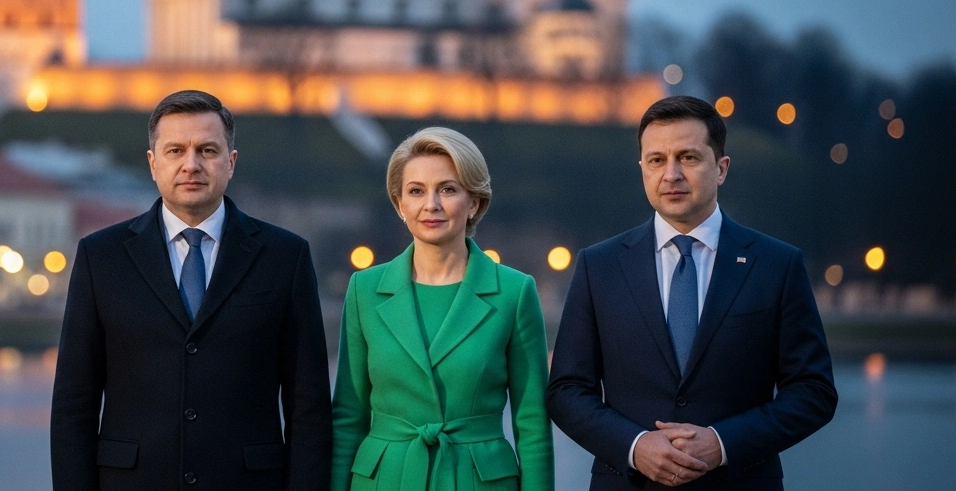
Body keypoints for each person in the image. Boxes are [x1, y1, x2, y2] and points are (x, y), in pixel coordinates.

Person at [546, 95, 837, 490]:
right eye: (656, 160)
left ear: (721, 168)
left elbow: (813, 391)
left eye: (688, 158)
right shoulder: (598, 266)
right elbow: (566, 391)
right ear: (642, 169)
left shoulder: (777, 265)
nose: (671, 174)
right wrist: (634, 446)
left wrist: (722, 444)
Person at [51, 90, 332, 491]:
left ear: (231, 162)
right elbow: (73, 406)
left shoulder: (285, 257)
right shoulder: (101, 257)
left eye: (207, 150)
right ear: (152, 163)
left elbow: (309, 408)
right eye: (175, 150)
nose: (191, 164)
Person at [332, 126, 553, 491]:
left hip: (479, 481)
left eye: (448, 189)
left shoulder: (515, 292)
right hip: (383, 481)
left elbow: (532, 426)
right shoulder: (364, 290)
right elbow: (346, 419)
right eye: (416, 191)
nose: (430, 204)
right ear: (400, 204)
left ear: (475, 203)